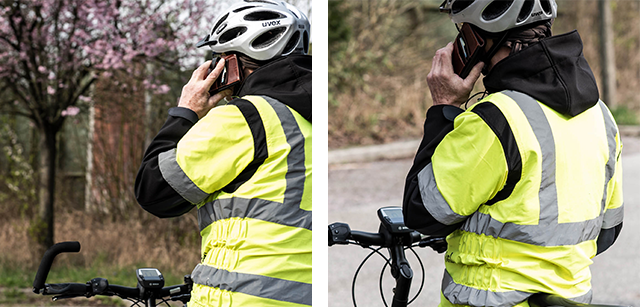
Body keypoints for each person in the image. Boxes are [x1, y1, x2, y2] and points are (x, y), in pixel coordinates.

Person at [402, 0, 623, 306]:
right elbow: (607, 231)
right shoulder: (601, 116)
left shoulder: (496, 120)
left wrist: (444, 107)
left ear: (480, 40)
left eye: (462, 33)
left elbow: (423, 211)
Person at [134, 1, 312, 306]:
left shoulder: (244, 117)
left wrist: (185, 111)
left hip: (240, 297)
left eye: (220, 60)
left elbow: (154, 190)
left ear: (235, 63)